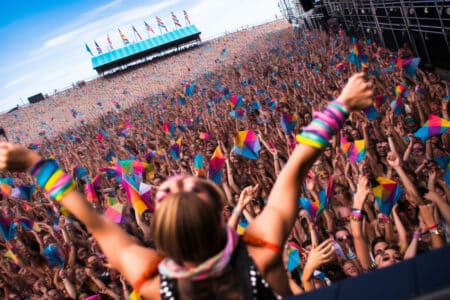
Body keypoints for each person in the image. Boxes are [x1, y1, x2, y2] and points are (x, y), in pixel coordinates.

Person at [0, 71, 372, 299]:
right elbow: (296, 164)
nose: (173, 180)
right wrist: (342, 103)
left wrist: (33, 164)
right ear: (217, 204)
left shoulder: (149, 281)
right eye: (188, 186)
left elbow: (90, 220)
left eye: (165, 191)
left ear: (161, 240)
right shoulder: (262, 249)